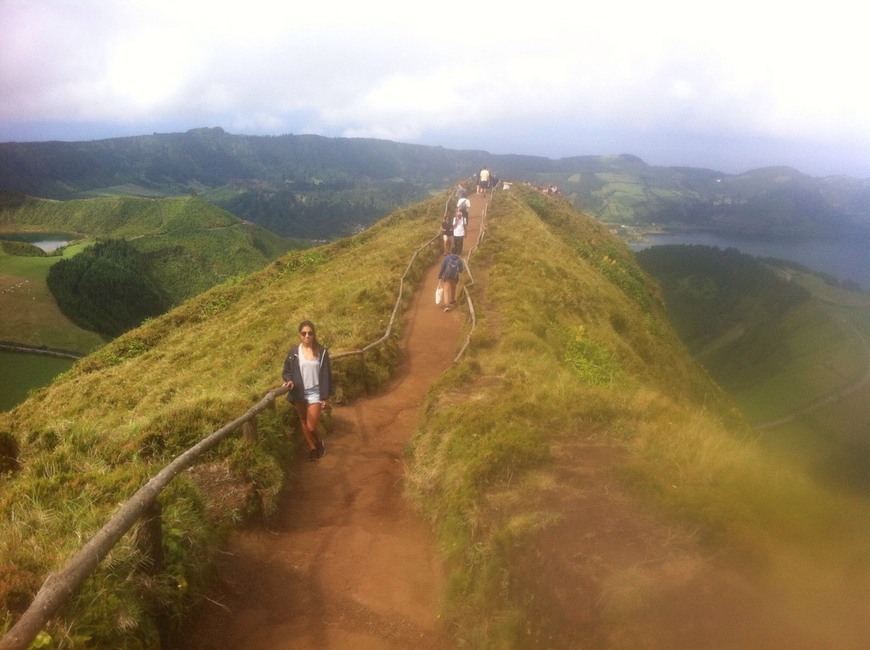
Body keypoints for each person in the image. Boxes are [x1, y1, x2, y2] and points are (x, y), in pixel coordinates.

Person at [282, 320, 332, 461]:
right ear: (300, 335)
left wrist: (325, 396)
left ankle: (318, 442)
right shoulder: (294, 352)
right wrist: (289, 380)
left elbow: (327, 374)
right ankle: (312, 448)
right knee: (303, 420)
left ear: (314, 334)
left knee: (311, 426)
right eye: (304, 333)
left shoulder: (321, 352)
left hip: (315, 392)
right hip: (299, 392)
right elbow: (286, 371)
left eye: (310, 333)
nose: (307, 336)